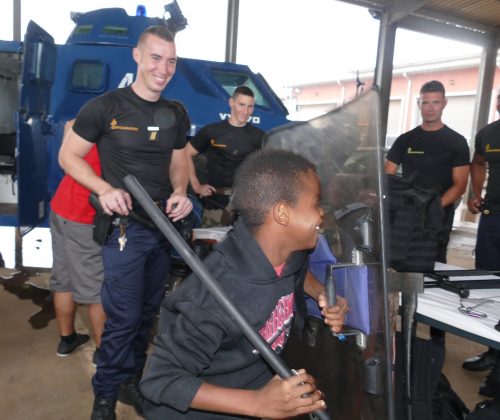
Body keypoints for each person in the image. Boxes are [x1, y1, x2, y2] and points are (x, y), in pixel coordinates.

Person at [140, 149, 348, 419]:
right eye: (316, 203)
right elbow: (159, 379)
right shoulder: (218, 295)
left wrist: (322, 294)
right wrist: (258, 403)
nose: (321, 214)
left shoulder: (288, 252)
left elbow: (297, 271)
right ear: (282, 214)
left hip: (253, 385)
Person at [58, 25, 193, 420]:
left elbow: (179, 159)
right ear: (137, 56)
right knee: (123, 318)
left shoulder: (176, 113)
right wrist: (103, 189)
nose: (163, 69)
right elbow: (68, 156)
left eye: (171, 61)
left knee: (147, 315)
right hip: (123, 231)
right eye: (156, 58)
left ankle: (131, 380)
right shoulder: (105, 107)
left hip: (162, 229)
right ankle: (104, 398)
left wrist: (181, 190)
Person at [384, 80, 470, 263]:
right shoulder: (405, 140)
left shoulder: (457, 141)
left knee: (432, 263)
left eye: (436, 102)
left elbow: (460, 185)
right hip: (406, 213)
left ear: (444, 103)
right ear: (419, 104)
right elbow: (387, 175)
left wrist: (434, 207)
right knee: (400, 260)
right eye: (425, 102)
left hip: (438, 214)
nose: (430, 108)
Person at [49, 121, 106, 365]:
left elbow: (69, 125)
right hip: (84, 215)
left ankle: (67, 339)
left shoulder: (89, 125)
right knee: (95, 289)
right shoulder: (117, 134)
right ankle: (104, 352)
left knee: (63, 278)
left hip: (61, 206)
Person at [462, 90, 500, 398]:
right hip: (492, 218)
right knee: (488, 282)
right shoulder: (488, 134)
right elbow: (478, 162)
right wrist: (477, 194)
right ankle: (493, 351)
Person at [186, 85, 265, 227]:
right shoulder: (211, 131)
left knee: (245, 241)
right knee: (209, 241)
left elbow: (267, 169)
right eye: (241, 105)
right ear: (231, 102)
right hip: (215, 204)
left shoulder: (259, 136)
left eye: (250, 106)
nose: (246, 111)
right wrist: (196, 186)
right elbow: (186, 153)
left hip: (245, 205)